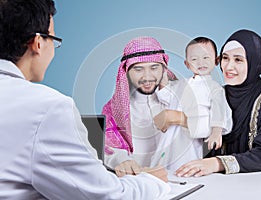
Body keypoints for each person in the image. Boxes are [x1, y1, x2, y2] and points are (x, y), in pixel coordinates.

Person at [0, 0, 171, 199]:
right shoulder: (50, 109)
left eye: (154, 67)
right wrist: (150, 180)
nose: (146, 76)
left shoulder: (176, 98)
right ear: (38, 43)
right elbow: (106, 194)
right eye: (53, 40)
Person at [175, 29, 261, 177]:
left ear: (255, 62)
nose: (229, 67)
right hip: (221, 182)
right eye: (225, 58)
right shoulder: (215, 95)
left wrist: (217, 163)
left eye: (238, 60)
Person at [102, 36, 200, 175]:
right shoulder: (113, 108)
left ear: (164, 68)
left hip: (186, 179)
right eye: (138, 69)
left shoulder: (183, 94)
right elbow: (107, 145)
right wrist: (121, 160)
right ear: (126, 72)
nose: (147, 77)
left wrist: (180, 118)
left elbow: (217, 126)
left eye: (154, 68)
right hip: (139, 182)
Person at [154, 37, 232, 159]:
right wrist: (163, 75)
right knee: (164, 157)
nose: (201, 62)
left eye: (206, 57)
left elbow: (219, 110)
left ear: (216, 60)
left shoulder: (214, 88)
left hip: (190, 137)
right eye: (194, 59)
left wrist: (216, 131)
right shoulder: (181, 83)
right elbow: (166, 96)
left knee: (185, 161)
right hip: (170, 132)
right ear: (187, 64)